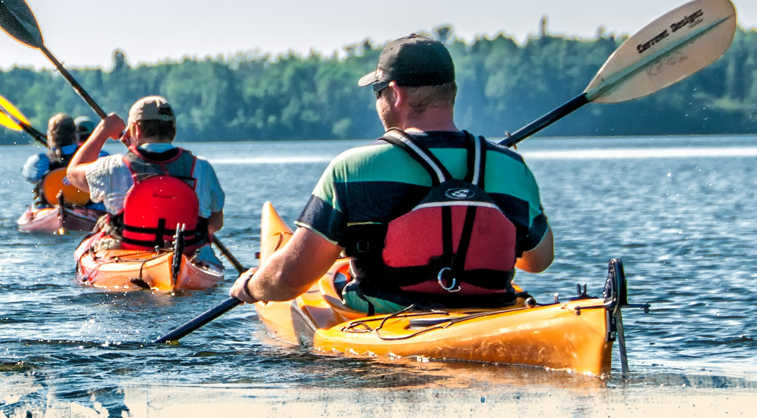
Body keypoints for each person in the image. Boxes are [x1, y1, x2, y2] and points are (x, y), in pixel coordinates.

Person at [230, 35, 554, 313]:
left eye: (378, 91)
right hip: (489, 319)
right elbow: (539, 261)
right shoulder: (511, 166)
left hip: (389, 332)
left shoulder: (353, 168)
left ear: (395, 93)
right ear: (451, 92)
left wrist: (252, 285)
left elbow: (288, 281)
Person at [67, 96, 224, 255]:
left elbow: (72, 173)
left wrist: (104, 129)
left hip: (127, 254)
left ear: (136, 129)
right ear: (173, 129)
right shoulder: (202, 168)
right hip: (186, 254)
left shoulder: (114, 167)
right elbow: (215, 223)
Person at [21, 114, 107, 207]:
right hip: (87, 207)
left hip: (49, 207)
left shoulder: (40, 160)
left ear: (50, 137)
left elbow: (29, 177)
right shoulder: (95, 156)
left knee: (38, 200)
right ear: (75, 136)